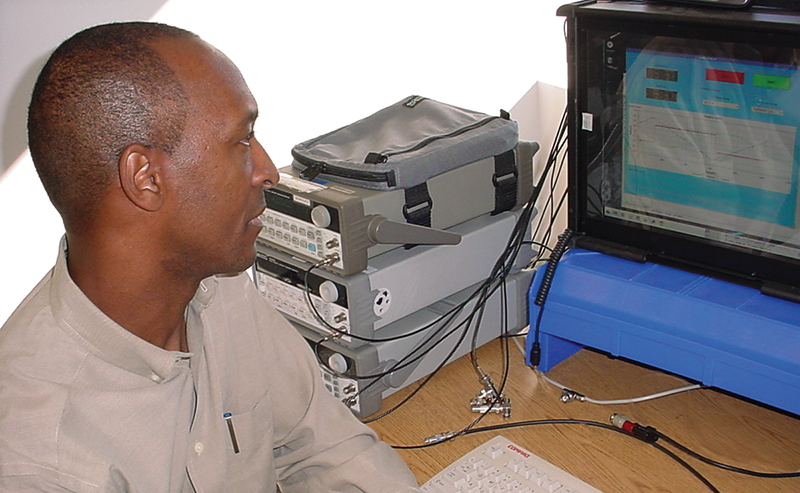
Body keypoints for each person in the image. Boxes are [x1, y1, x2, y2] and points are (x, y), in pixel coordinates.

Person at [0, 21, 420, 492]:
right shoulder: (39, 457)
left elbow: (321, 447)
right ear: (146, 179)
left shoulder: (218, 289)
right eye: (242, 140)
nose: (268, 172)